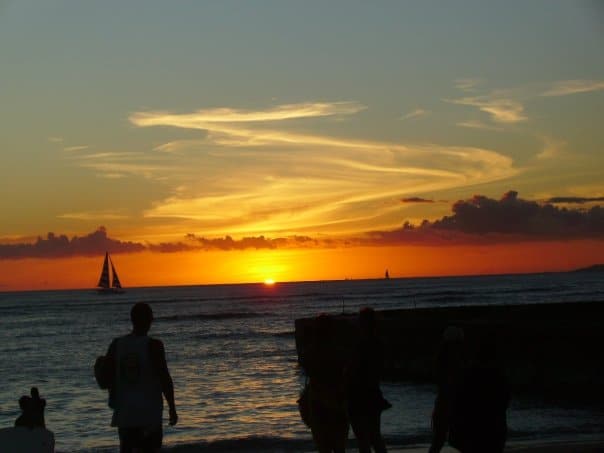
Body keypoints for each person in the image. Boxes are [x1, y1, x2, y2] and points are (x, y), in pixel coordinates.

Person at [104, 302, 178, 453]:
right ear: (149, 320)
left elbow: (106, 376)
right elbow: (164, 378)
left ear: (132, 320)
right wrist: (172, 407)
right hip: (149, 415)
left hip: (125, 416)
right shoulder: (154, 345)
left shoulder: (117, 344)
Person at [448, 335, 510, 453]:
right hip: (494, 428)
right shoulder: (498, 375)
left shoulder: (467, 374)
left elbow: (457, 401)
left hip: (472, 429)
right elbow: (505, 400)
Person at [347, 307, 389, 453]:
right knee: (375, 435)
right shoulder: (378, 344)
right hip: (373, 393)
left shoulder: (360, 345)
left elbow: (353, 370)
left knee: (363, 438)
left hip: (358, 396)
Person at [306, 314, 350, 453]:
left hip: (319, 404)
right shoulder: (339, 350)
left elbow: (310, 374)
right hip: (338, 403)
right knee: (339, 447)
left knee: (323, 448)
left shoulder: (312, 351)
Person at [428, 326, 466, 453]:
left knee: (439, 439)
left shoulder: (441, 357)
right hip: (451, 402)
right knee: (458, 439)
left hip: (443, 401)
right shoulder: (454, 358)